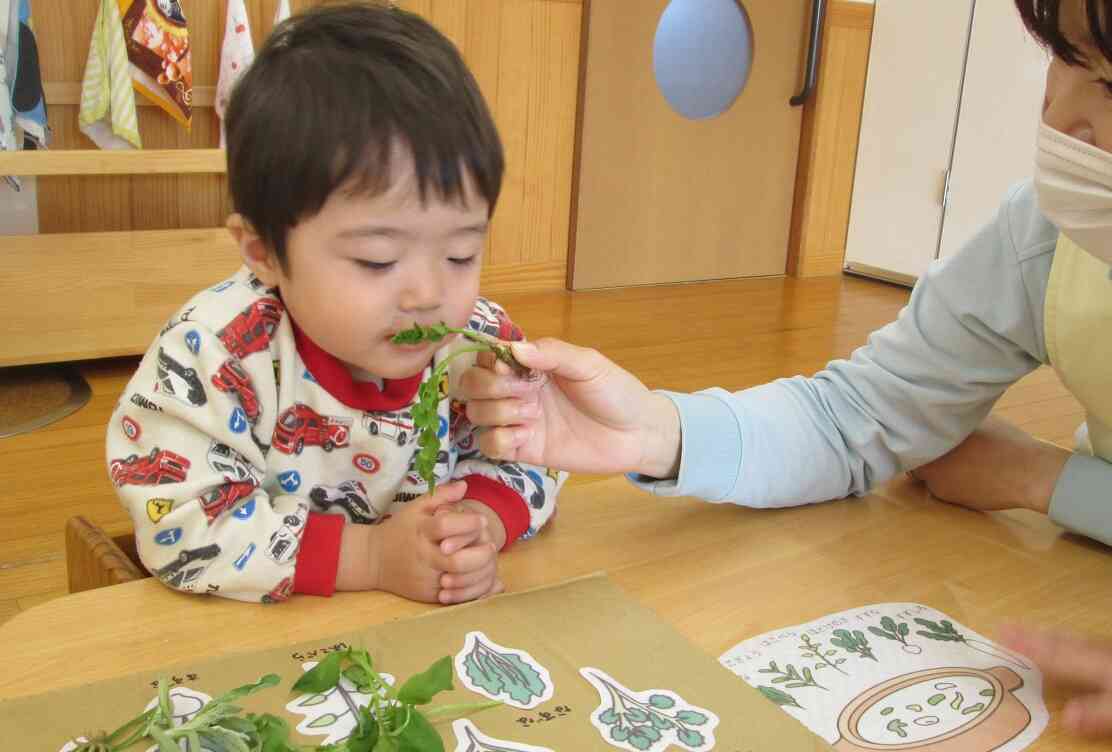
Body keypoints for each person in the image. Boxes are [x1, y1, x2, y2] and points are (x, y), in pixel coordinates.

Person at [457, 0, 1112, 737]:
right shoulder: (1046, 238)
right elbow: (854, 418)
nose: (1063, 113)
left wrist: (1050, 482)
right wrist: (654, 431)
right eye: (1069, 56)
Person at [105, 2, 564, 606]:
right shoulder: (215, 354)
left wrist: (482, 521)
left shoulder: (478, 347)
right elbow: (180, 522)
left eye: (460, 255)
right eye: (377, 261)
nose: (429, 295)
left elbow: (539, 454)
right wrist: (370, 556)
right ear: (264, 251)